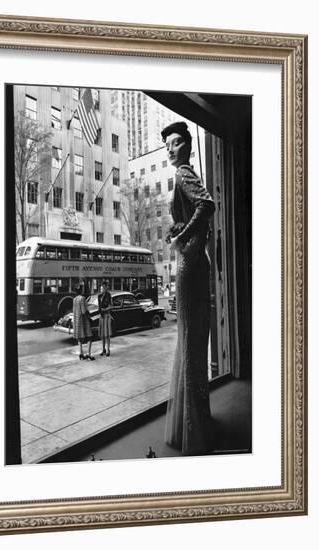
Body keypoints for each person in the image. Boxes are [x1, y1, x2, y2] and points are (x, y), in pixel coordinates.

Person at [161, 121, 215, 455]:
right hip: (195, 263)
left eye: (177, 142)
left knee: (191, 341)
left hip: (190, 265)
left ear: (188, 146)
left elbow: (207, 205)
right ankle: (196, 422)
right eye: (168, 144)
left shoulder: (183, 173)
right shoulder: (186, 173)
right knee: (193, 341)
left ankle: (193, 427)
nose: (171, 149)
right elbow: (200, 208)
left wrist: (182, 236)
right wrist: (179, 228)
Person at [72, 284, 95, 361]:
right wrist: (89, 314)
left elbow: (74, 311)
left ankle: (81, 354)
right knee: (89, 337)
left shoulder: (74, 299)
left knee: (80, 338)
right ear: (81, 290)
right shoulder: (82, 298)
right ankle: (89, 354)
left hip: (77, 321)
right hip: (83, 320)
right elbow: (84, 311)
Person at [98, 280, 113, 356]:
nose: (102, 289)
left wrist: (105, 309)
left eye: (103, 288)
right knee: (102, 335)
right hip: (101, 316)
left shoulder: (109, 295)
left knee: (107, 334)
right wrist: (100, 311)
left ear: (105, 288)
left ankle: (108, 350)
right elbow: (99, 307)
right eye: (101, 288)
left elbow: (111, 306)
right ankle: (103, 349)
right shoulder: (99, 296)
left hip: (107, 316)